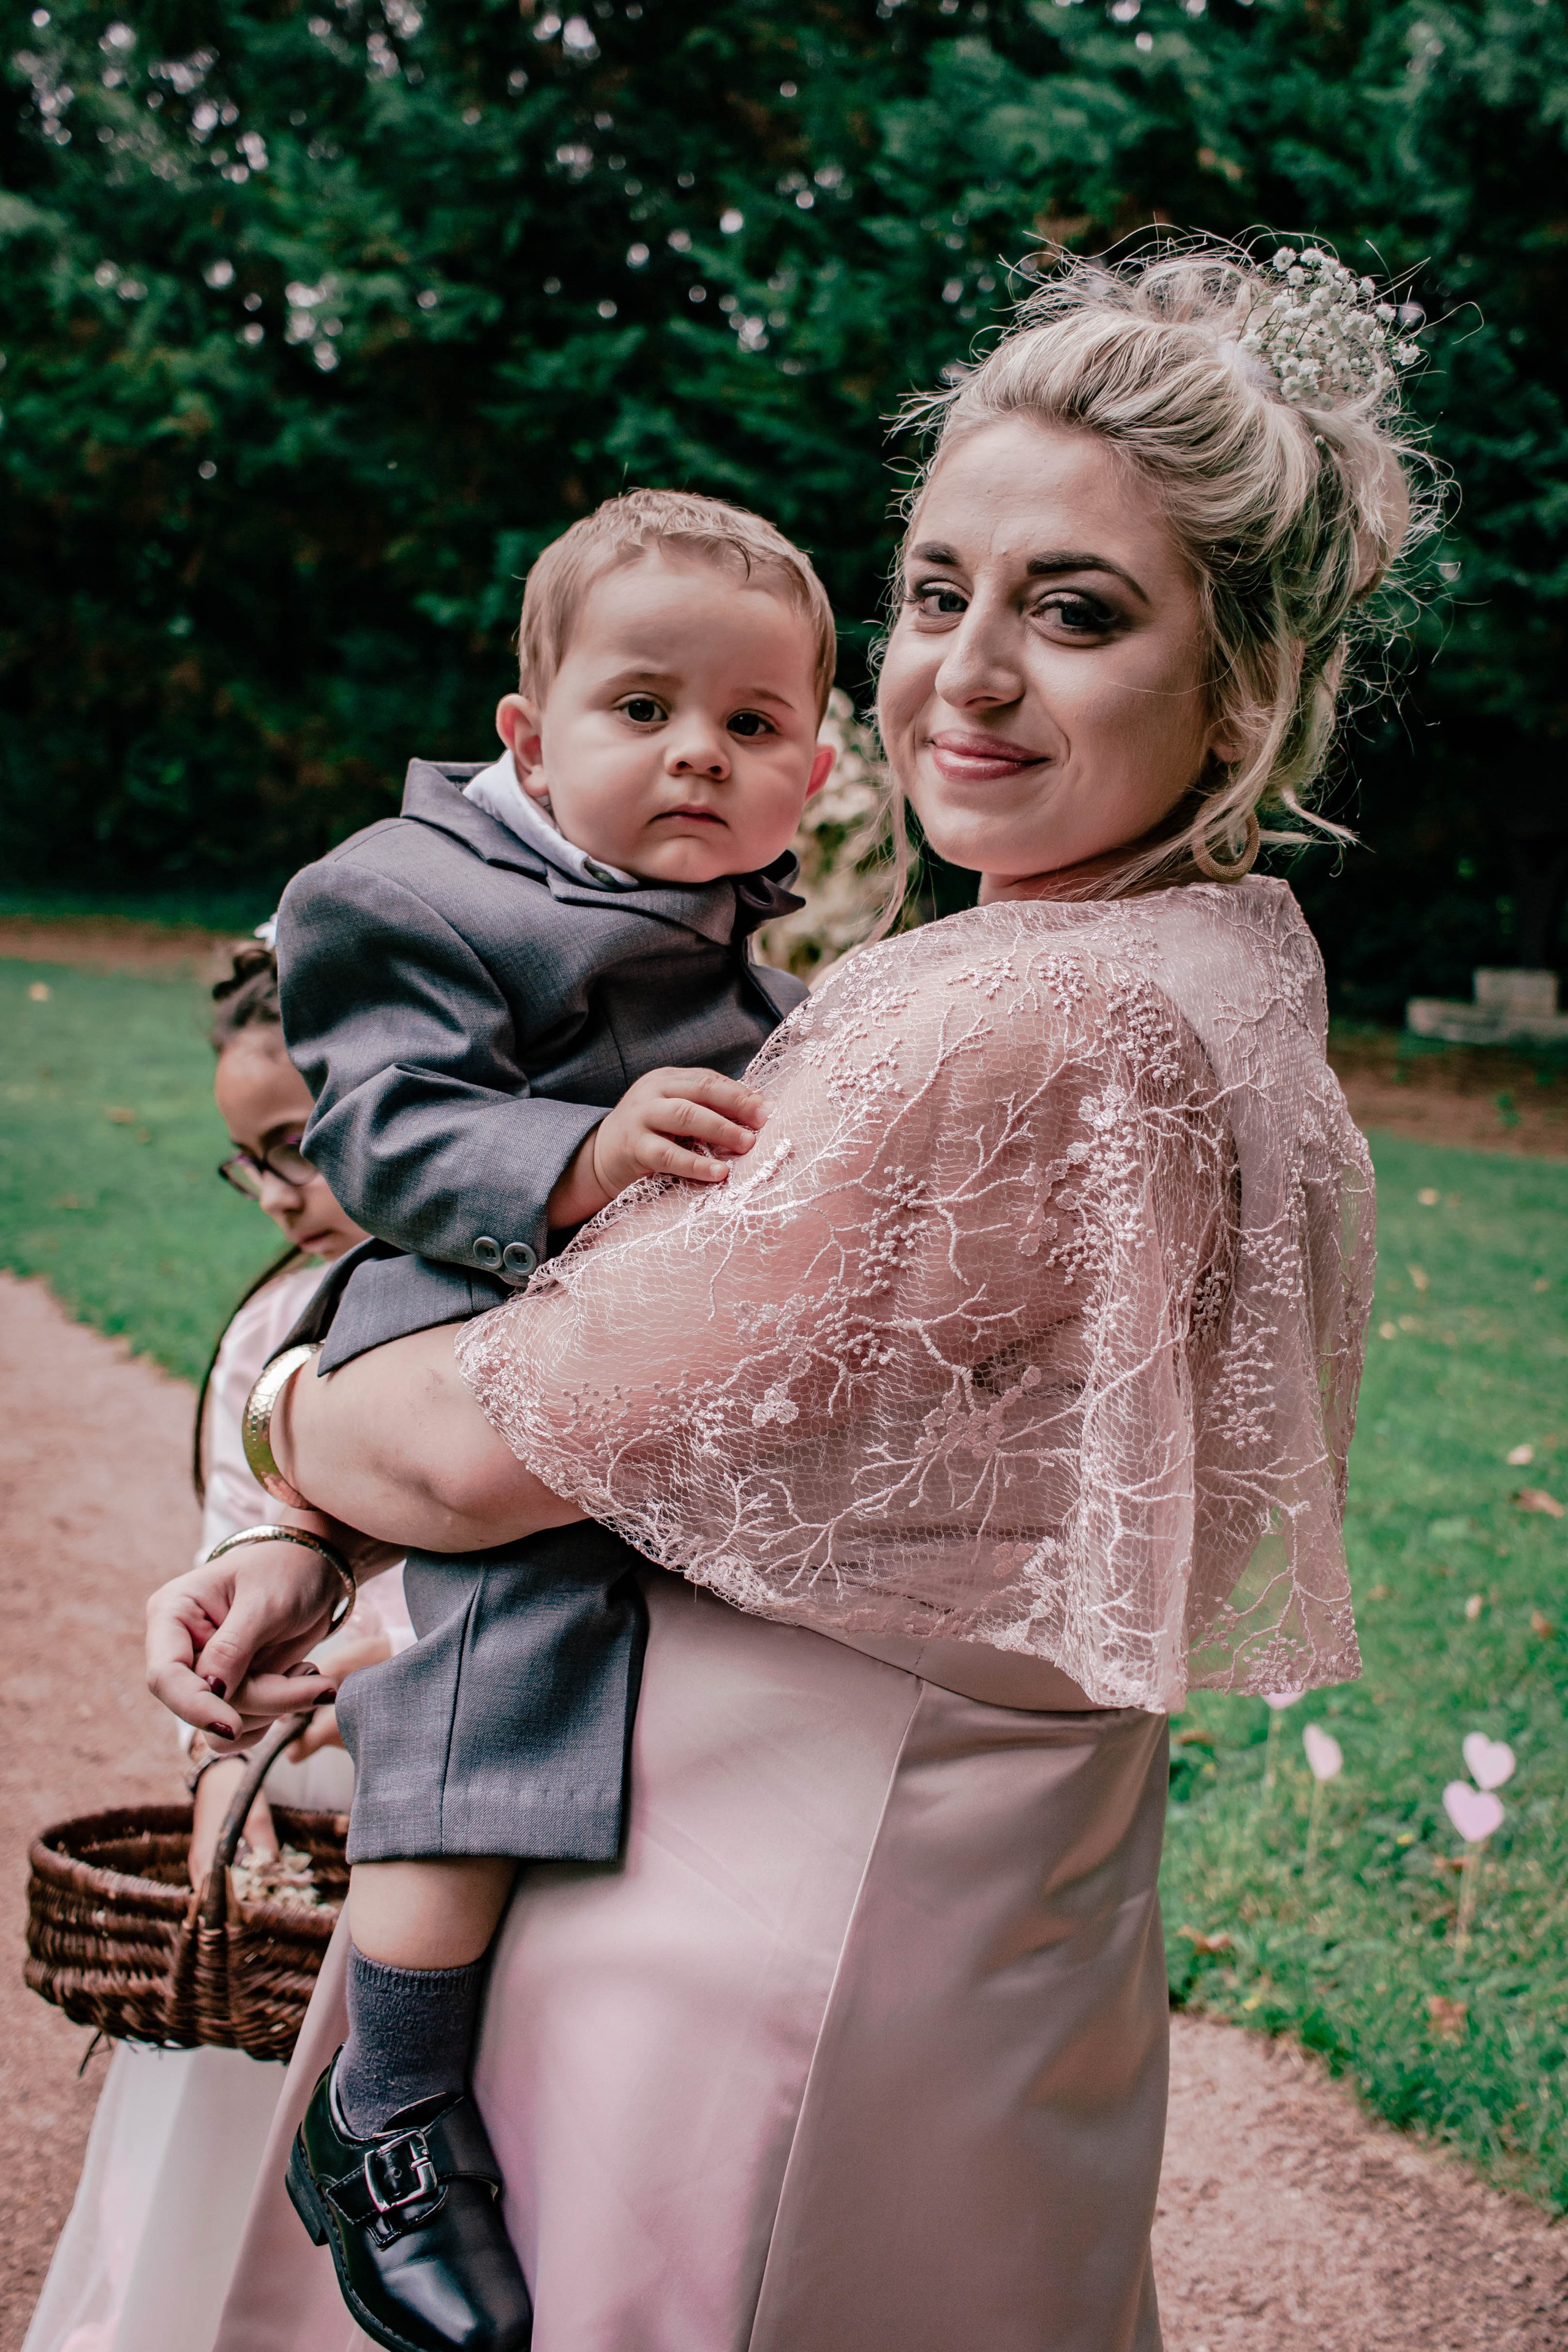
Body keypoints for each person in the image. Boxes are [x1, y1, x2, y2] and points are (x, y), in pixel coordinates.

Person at [151, 237, 1414, 2352]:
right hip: (987, 1944)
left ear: (1245, 682)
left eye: (1077, 612)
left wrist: (285, 1426)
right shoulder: (1213, 986)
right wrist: (314, 1530)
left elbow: (484, 1450)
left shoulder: (1025, 1035)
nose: (968, 676)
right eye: (936, 597)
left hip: (770, 1932)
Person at [219, 491, 837, 2352]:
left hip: (645, 1360)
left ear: (815, 762)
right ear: (528, 732)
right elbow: (378, 1128)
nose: (696, 758)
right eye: (642, 709)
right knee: (506, 1636)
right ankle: (388, 2109)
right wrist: (573, 1154)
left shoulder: (755, 951)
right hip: (469, 1317)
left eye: (748, 728)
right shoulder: (401, 891)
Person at [23, 944, 410, 2352]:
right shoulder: (275, 1331)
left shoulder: (515, 1304)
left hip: (445, 1804)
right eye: (246, 1163)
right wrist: (215, 1767)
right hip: (295, 1821)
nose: (276, 1196)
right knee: (233, 2174)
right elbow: (226, 1559)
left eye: (300, 1147)